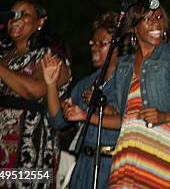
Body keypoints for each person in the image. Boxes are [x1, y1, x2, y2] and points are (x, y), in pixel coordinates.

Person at [102, 4, 170, 188]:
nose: (156, 23)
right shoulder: (123, 65)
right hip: (127, 154)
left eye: (159, 18)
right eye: (148, 18)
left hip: (159, 153)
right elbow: (123, 117)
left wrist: (165, 116)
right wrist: (99, 105)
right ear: (135, 26)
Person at [0, 0, 71, 188]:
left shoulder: (48, 56)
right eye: (12, 14)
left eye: (24, 14)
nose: (15, 18)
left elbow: (34, 90)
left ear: (40, 22)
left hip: (29, 150)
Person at [42, 12, 120, 189]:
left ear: (118, 47)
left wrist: (86, 114)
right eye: (93, 42)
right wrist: (51, 84)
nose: (94, 47)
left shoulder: (128, 81)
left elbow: (126, 120)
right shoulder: (86, 83)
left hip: (113, 166)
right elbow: (57, 121)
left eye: (102, 43)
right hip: (84, 165)